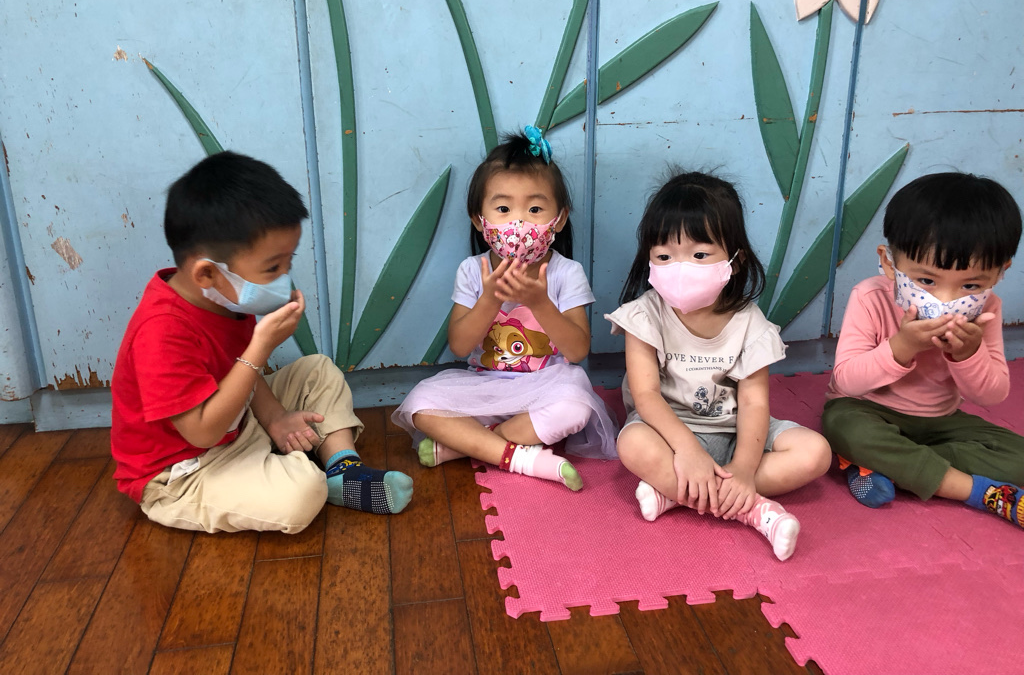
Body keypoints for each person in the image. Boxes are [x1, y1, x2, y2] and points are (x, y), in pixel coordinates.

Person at [110, 151, 413, 533]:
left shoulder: (222, 295)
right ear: (207, 274)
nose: (284, 277)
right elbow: (202, 431)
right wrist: (261, 347)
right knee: (300, 496)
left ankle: (342, 468)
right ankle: (299, 472)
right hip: (185, 469)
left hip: (236, 420)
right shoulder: (161, 332)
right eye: (272, 267)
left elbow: (240, 372)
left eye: (288, 262)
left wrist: (275, 418)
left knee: (318, 370)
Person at [606, 171, 831, 560]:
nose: (680, 268)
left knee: (816, 453)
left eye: (699, 255)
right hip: (668, 431)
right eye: (664, 256)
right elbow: (645, 395)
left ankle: (677, 493)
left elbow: (755, 403)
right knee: (631, 443)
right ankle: (754, 510)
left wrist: (744, 467)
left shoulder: (750, 323)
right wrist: (688, 451)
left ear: (735, 260)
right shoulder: (643, 316)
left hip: (736, 430)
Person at [391, 127, 617, 489]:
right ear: (479, 220)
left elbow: (577, 351)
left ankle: (468, 446)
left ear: (559, 219)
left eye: (535, 209)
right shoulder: (472, 270)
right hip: (484, 388)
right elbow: (460, 346)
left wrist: (539, 302)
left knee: (577, 405)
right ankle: (521, 457)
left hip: (546, 386)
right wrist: (490, 299)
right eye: (503, 209)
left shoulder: (566, 272)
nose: (519, 222)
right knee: (420, 404)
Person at [823, 172, 1024, 528]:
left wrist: (968, 354)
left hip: (942, 422)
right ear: (889, 263)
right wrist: (902, 347)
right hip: (867, 410)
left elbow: (991, 396)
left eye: (970, 285)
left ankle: (884, 465)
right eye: (927, 281)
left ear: (999, 272)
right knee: (844, 428)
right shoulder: (870, 297)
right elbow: (847, 382)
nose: (946, 300)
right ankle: (976, 491)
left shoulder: (987, 309)